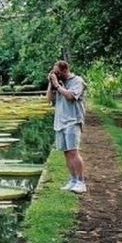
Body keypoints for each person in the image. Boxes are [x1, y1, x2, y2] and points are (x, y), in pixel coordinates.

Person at [46, 60, 87, 193]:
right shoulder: (58, 84)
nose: (56, 74)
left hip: (73, 120)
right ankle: (73, 180)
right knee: (66, 153)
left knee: (73, 151)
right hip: (60, 122)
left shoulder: (77, 81)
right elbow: (48, 99)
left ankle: (81, 182)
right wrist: (51, 85)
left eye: (57, 72)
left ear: (65, 70)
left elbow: (70, 96)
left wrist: (57, 85)